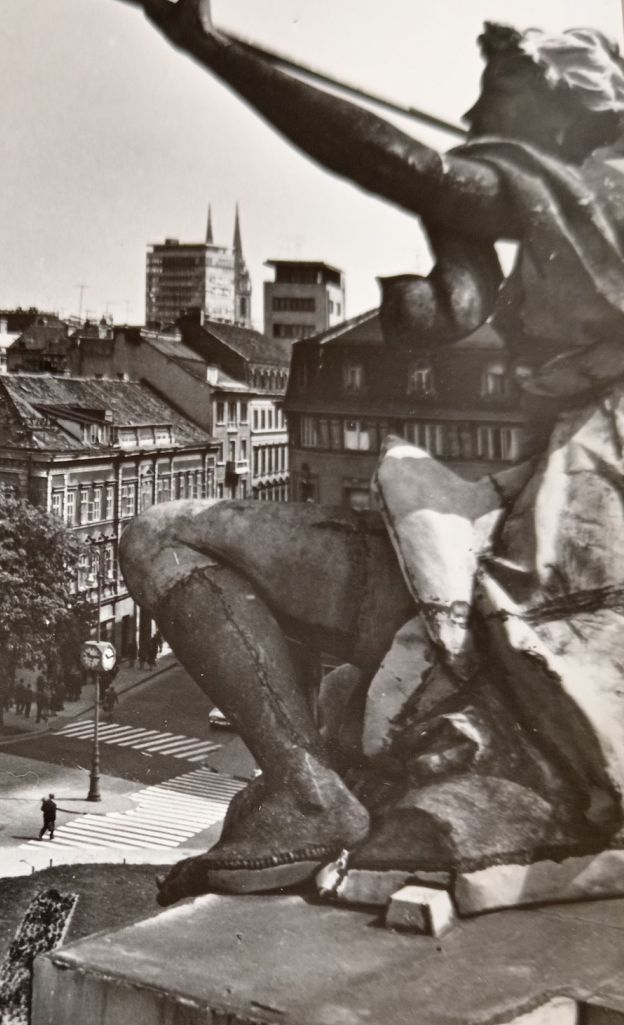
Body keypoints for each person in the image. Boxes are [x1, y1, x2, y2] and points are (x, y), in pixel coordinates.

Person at [127, 2, 624, 907]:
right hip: (509, 511)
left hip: (572, 526)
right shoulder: (566, 202)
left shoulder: (604, 185)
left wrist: (208, 44)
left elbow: (417, 171)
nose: (476, 115)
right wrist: (443, 282)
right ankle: (309, 788)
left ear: (562, 99)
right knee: (165, 533)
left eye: (497, 91)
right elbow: (462, 300)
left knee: (164, 534)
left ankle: (314, 790)